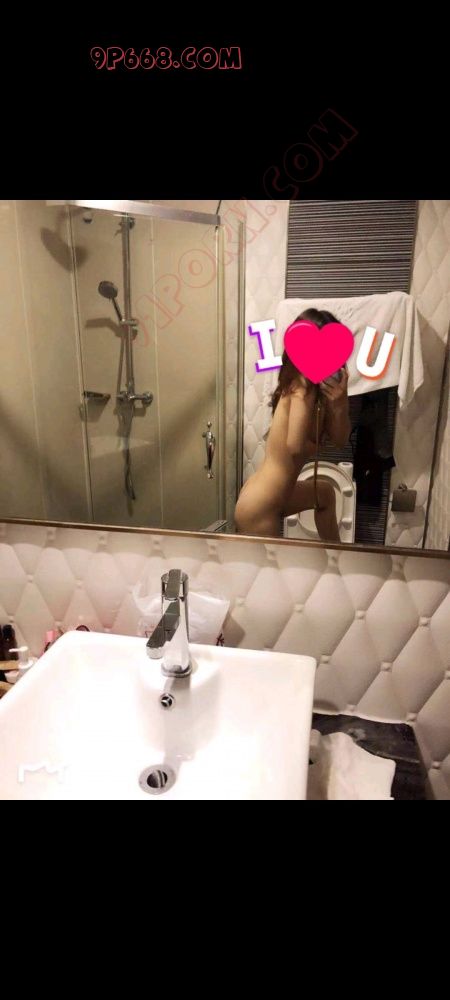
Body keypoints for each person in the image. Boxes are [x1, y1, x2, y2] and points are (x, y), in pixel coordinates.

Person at [234, 309, 351, 540]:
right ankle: (335, 557)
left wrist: (340, 403)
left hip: (272, 496)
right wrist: (320, 442)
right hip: (260, 506)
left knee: (325, 493)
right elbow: (295, 446)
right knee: (271, 566)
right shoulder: (301, 386)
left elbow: (340, 440)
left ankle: (335, 556)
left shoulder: (319, 393)